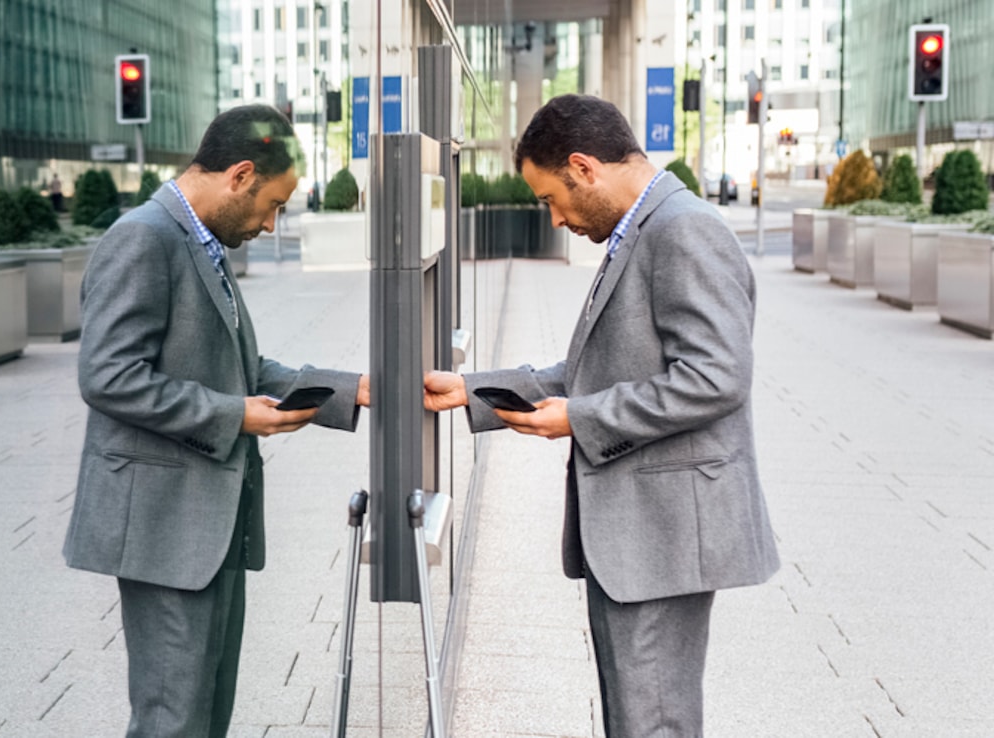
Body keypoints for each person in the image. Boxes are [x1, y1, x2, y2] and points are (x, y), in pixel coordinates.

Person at [422, 94, 778, 736]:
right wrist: (474, 391)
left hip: (663, 535)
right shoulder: (643, 228)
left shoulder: (682, 229)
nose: (554, 219)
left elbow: (716, 377)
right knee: (637, 718)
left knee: (652, 721)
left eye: (550, 198)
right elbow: (594, 371)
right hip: (645, 533)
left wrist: (580, 418)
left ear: (584, 167)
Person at [63, 104, 371, 738]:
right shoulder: (144, 237)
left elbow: (244, 368)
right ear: (241, 175)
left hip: (206, 521)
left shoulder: (201, 239)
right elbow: (107, 376)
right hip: (165, 527)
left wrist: (354, 391)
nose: (271, 221)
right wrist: (234, 417)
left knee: (204, 711)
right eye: (274, 204)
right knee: (173, 717)